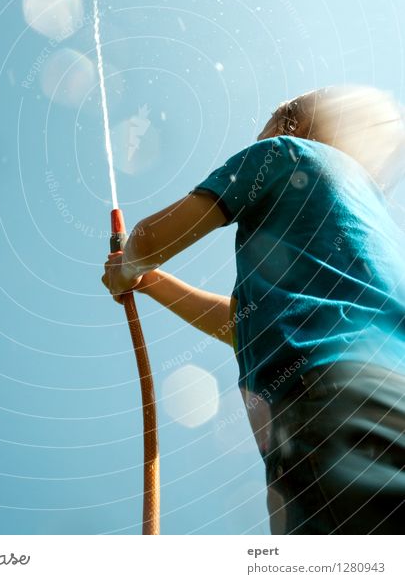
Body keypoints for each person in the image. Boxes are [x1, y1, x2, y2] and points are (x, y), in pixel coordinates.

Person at [101, 84, 405, 534]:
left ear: (290, 123)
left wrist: (125, 268)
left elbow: (148, 240)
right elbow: (242, 325)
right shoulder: (367, 205)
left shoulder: (281, 152)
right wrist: (150, 283)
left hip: (324, 400)